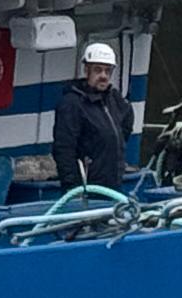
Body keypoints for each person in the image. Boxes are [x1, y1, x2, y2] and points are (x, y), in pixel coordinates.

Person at [50, 40, 134, 195]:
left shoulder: (114, 99)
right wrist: (73, 188)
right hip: (86, 188)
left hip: (113, 184)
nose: (103, 76)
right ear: (86, 70)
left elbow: (127, 123)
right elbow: (64, 149)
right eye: (98, 70)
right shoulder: (72, 103)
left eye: (107, 71)